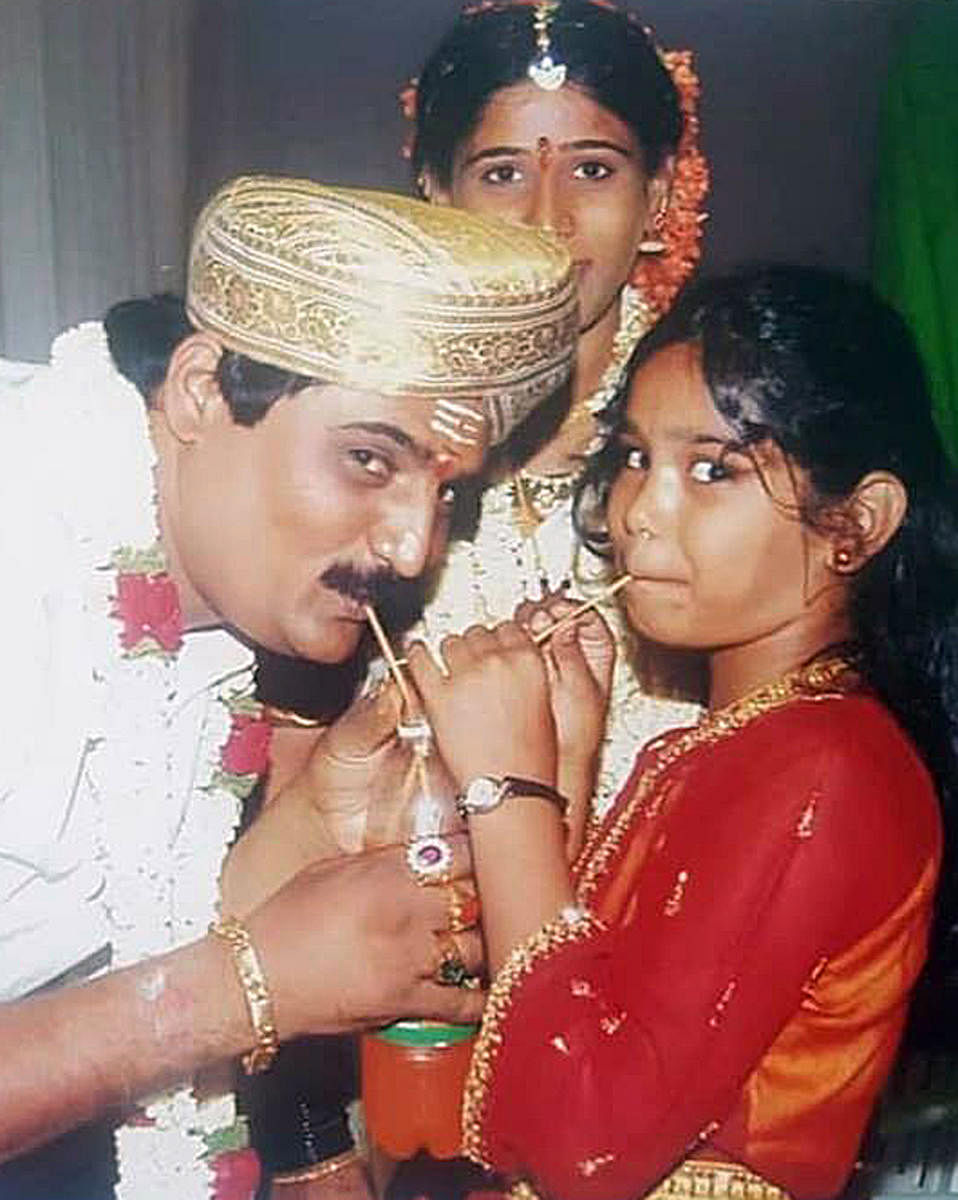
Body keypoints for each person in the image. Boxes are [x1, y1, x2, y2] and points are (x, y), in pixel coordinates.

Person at [0, 173, 578, 1198]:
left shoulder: (207, 600)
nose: (411, 547)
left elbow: (92, 951)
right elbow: (183, 995)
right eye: (367, 460)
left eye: (445, 492)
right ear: (196, 390)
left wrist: (307, 828)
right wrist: (240, 991)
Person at [405, 265, 958, 1198]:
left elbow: (585, 1142)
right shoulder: (744, 740)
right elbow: (581, 1007)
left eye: (712, 470)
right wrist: (567, 758)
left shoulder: (827, 766)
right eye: (631, 458)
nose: (637, 514)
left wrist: (509, 789)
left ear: (856, 525)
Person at [403, 0, 710, 811]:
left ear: (658, 194)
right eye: (503, 173)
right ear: (436, 194)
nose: (547, 219)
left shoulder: (723, 430)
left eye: (594, 169)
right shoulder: (366, 424)